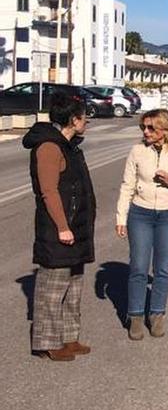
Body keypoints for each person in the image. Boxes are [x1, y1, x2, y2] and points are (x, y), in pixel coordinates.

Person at [24, 93, 96, 361]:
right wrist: (63, 227)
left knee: (73, 286)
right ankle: (48, 343)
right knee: (51, 290)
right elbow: (49, 192)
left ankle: (69, 337)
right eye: (83, 116)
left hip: (76, 228)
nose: (86, 121)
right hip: (57, 229)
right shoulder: (49, 148)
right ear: (73, 119)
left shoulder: (69, 145)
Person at [115, 109, 168, 340]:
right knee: (139, 267)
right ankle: (136, 315)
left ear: (166, 130)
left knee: (162, 269)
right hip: (140, 214)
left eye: (151, 128)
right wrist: (121, 217)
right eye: (143, 127)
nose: (146, 132)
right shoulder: (137, 151)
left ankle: (157, 314)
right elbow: (126, 185)